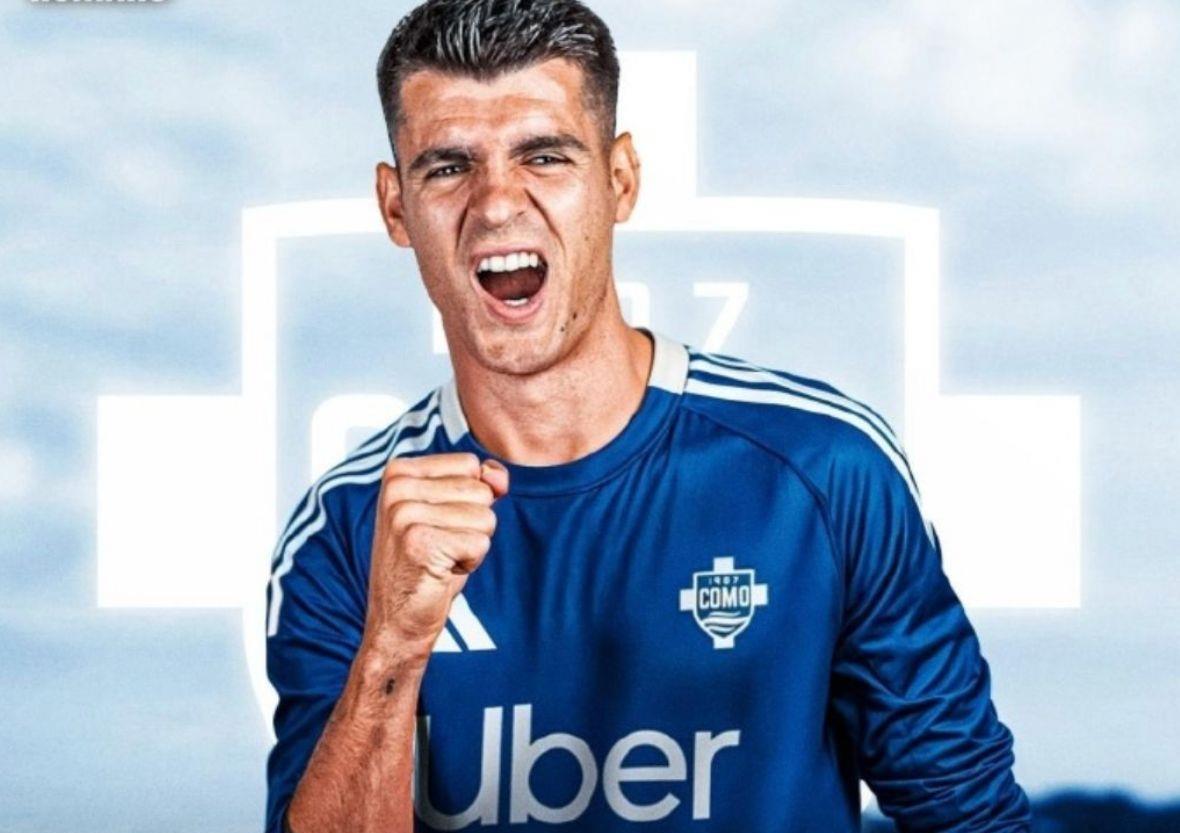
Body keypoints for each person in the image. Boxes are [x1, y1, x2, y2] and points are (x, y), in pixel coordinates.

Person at [264, 0, 1032, 830]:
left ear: (620, 180)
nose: (496, 204)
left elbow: (972, 816)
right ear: (394, 207)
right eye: (448, 167)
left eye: (544, 156)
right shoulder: (347, 528)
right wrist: (391, 646)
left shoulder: (822, 471)